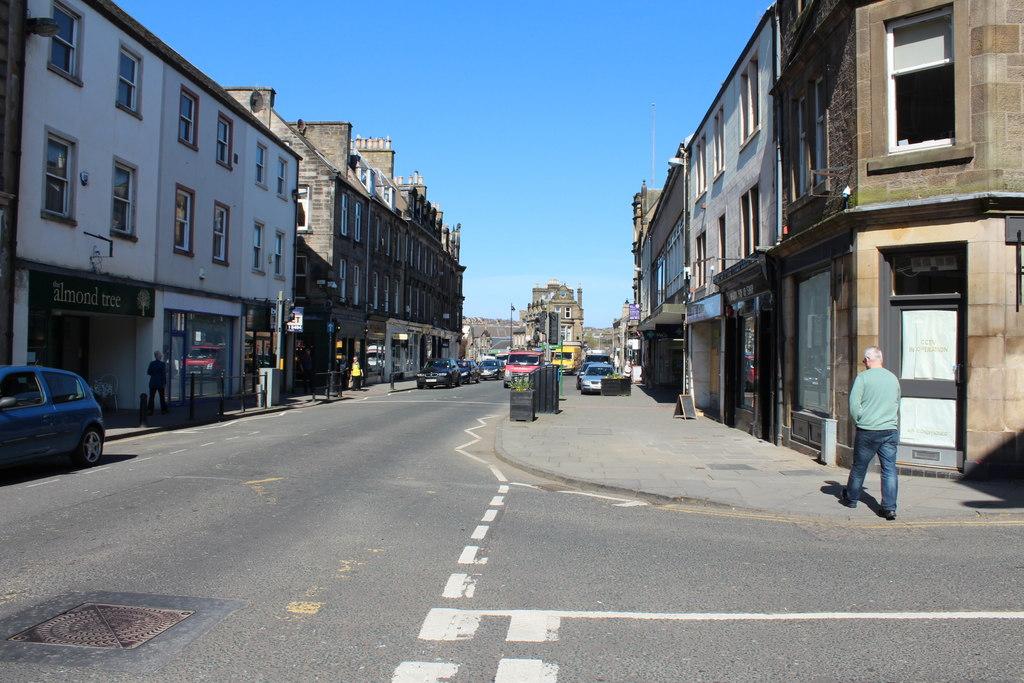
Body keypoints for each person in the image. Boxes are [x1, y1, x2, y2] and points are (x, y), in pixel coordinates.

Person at [840, 346, 901, 520]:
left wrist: (858, 421)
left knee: (860, 467)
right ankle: (889, 508)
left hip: (868, 430)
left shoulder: (863, 378)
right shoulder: (892, 378)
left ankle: (852, 498)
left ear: (867, 359)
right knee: (889, 469)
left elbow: (854, 405)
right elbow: (897, 404)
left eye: (863, 360)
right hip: (889, 430)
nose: (863, 363)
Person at [147, 350, 169, 415]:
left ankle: (150, 410)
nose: (161, 356)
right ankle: (163, 410)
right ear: (159, 356)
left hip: (153, 382)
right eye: (160, 355)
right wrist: (164, 383)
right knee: (162, 397)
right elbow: (164, 374)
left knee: (151, 397)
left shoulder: (151, 363)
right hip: (160, 382)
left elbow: (149, 372)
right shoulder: (162, 364)